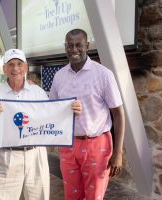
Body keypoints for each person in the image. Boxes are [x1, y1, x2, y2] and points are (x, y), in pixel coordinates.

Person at [0, 48, 82, 200]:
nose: (15, 68)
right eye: (10, 64)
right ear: (4, 68)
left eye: (19, 64)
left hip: (36, 155)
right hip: (7, 156)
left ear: (26, 67)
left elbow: (51, 118)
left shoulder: (38, 92)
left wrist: (70, 111)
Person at [49, 29, 125, 200]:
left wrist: (118, 153)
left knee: (94, 196)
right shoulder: (59, 76)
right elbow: (52, 110)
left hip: (97, 146)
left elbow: (119, 114)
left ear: (87, 46)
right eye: (70, 45)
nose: (74, 49)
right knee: (71, 196)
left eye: (78, 45)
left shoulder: (104, 74)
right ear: (65, 47)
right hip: (68, 145)